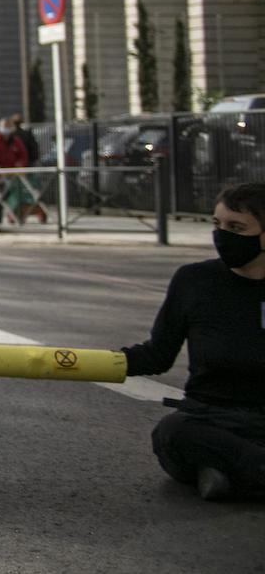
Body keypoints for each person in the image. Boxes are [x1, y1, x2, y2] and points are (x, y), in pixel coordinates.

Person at [119, 181, 265, 501]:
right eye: (217, 224)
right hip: (210, 418)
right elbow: (157, 355)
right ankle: (245, 472)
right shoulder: (194, 280)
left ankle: (224, 473)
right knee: (172, 434)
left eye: (236, 227)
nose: (222, 235)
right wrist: (90, 363)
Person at [0, 117, 37, 223]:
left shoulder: (15, 141)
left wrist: (20, 165)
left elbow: (23, 155)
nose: (6, 129)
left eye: (8, 127)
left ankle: (13, 214)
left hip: (12, 173)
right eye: (4, 127)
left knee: (15, 194)